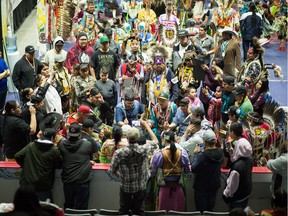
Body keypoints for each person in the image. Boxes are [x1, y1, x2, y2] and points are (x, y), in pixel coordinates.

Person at [110, 126, 158, 215]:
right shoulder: (144, 149)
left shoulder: (119, 153)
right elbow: (156, 142)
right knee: (139, 212)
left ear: (127, 138)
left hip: (125, 187)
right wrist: (146, 126)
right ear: (138, 138)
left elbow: (112, 170)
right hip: (141, 187)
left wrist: (121, 177)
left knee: (123, 211)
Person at [15, 128, 62, 202]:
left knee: (26, 208)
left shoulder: (31, 145)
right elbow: (59, 164)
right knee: (47, 209)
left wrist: (25, 165)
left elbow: (17, 156)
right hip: (43, 185)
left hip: (27, 183)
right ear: (52, 138)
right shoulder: (54, 150)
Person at [58, 122, 97, 209]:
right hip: (82, 180)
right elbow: (91, 157)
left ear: (68, 133)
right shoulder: (87, 144)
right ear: (80, 134)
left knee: (68, 206)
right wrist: (88, 161)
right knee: (82, 207)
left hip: (68, 180)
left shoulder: (61, 144)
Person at [151, 130, 190, 211]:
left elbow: (153, 171)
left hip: (163, 189)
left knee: (163, 212)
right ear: (175, 140)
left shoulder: (159, 154)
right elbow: (187, 170)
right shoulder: (183, 153)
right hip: (178, 188)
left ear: (164, 140)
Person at [223, 122, 253, 209]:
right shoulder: (249, 159)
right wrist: (232, 153)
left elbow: (232, 187)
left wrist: (225, 195)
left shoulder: (237, 169)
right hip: (245, 193)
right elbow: (238, 159)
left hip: (237, 199)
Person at [191, 130, 224, 212]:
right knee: (210, 210)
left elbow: (193, 169)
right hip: (214, 186)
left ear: (205, 142)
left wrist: (196, 154)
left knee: (201, 211)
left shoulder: (202, 156)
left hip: (201, 188)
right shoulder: (221, 152)